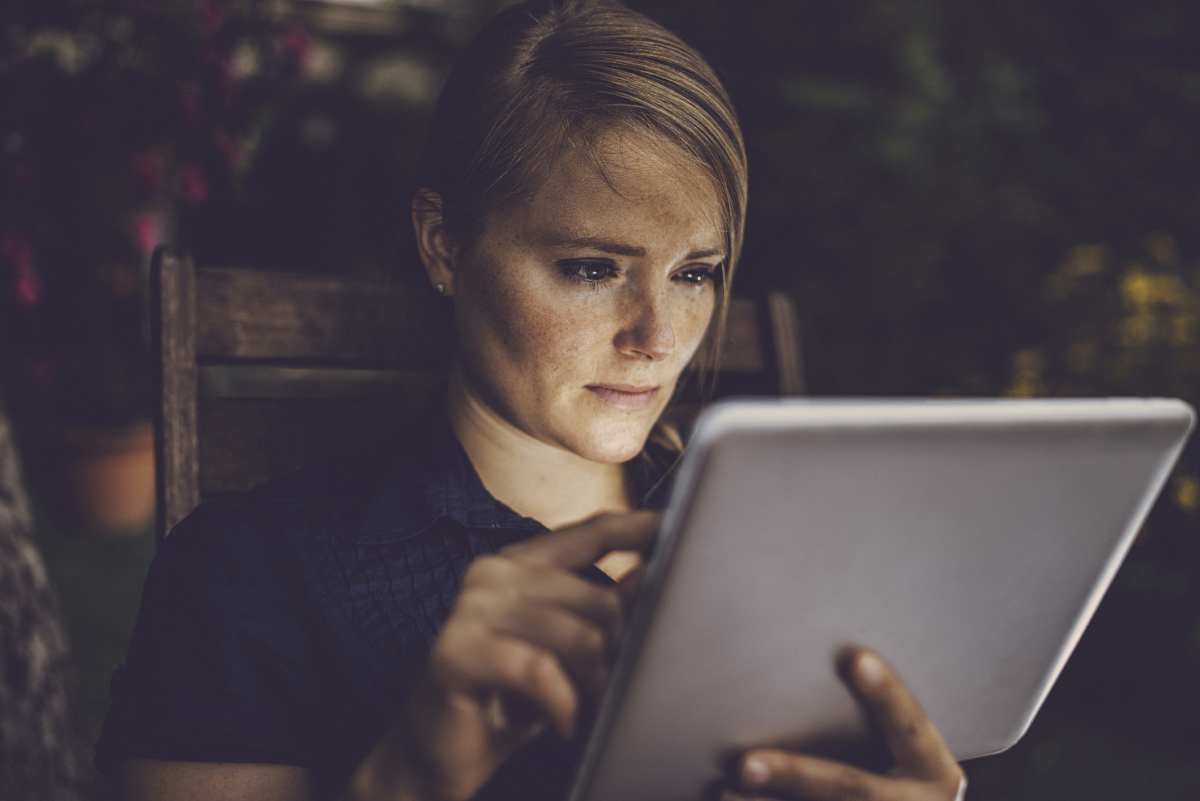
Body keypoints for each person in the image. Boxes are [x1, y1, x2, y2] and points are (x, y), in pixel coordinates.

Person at [98, 2, 968, 799]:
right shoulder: (249, 575)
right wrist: (408, 777)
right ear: (444, 244)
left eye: (694, 274)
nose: (657, 335)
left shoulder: (789, 541)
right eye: (592, 268)